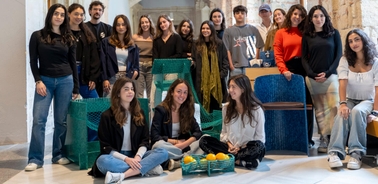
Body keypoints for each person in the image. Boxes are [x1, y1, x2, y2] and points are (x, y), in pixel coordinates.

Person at [25, 3, 79, 171]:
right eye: (56, 13)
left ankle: (58, 154)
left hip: (66, 80)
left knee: (61, 121)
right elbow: (33, 61)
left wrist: (76, 88)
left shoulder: (69, 37)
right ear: (50, 15)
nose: (59, 17)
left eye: (62, 15)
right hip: (45, 81)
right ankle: (35, 158)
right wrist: (38, 80)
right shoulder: (37, 36)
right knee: (39, 120)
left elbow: (73, 63)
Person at [87, 77, 168, 183]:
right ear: (118, 93)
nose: (130, 92)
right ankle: (148, 168)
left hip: (136, 155)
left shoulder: (140, 113)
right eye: (126, 89)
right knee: (102, 161)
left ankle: (123, 175)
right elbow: (106, 147)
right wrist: (127, 160)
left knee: (163, 152)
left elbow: (145, 140)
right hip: (117, 158)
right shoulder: (106, 116)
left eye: (132, 89)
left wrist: (138, 157)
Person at [327, 29, 378, 170]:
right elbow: (342, 84)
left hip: (368, 100)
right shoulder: (345, 60)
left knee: (357, 111)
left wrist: (375, 112)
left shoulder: (375, 62)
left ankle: (356, 154)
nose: (353, 43)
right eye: (350, 41)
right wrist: (342, 104)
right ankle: (334, 152)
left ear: (364, 40)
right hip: (349, 98)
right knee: (342, 112)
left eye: (357, 39)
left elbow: (377, 89)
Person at [200, 74, 265, 169]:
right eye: (229, 87)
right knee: (204, 141)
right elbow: (224, 133)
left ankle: (227, 160)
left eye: (233, 87)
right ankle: (241, 162)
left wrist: (241, 147)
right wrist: (230, 145)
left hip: (245, 148)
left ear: (243, 89)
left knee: (259, 146)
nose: (230, 90)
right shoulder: (226, 108)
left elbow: (260, 137)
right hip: (229, 148)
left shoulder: (256, 110)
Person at [302, 5, 342, 153]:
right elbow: (304, 58)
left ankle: (335, 139)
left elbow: (338, 56)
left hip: (331, 77)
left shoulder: (334, 33)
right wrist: (311, 74)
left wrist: (328, 72)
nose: (319, 19)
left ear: (326, 17)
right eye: (315, 16)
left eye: (321, 16)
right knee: (319, 111)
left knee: (333, 108)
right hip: (313, 79)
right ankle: (324, 140)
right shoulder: (307, 36)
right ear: (311, 19)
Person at [273, 4, 314, 147]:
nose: (297, 17)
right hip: (289, 70)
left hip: (305, 69)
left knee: (308, 105)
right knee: (290, 105)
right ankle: (289, 137)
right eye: (295, 14)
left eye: (301, 15)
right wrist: (283, 70)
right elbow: (278, 53)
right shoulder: (281, 32)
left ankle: (307, 139)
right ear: (290, 14)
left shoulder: (306, 32)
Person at [151, 79, 203, 171]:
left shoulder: (187, 110)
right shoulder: (161, 110)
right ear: (171, 92)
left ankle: (176, 162)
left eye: (185, 93)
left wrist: (183, 144)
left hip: (183, 146)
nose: (182, 95)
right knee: (158, 146)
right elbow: (155, 136)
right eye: (179, 92)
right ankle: (185, 159)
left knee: (206, 139)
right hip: (169, 146)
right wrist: (175, 142)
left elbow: (198, 132)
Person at [192, 20, 229, 112]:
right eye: (203, 28)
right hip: (201, 80)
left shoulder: (219, 44)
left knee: (216, 104)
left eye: (207, 28)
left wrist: (221, 74)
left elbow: (225, 60)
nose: (205, 30)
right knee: (202, 103)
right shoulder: (196, 44)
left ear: (212, 30)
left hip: (217, 80)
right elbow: (194, 60)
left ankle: (217, 125)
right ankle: (205, 126)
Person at [101, 15, 139, 97]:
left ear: (127, 26)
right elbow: (103, 62)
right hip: (112, 77)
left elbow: (136, 65)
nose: (121, 27)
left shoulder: (133, 45)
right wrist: (105, 79)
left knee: (125, 105)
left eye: (123, 24)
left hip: (127, 77)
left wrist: (135, 72)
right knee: (109, 104)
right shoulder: (106, 42)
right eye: (118, 25)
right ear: (114, 27)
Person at [68, 3, 101, 98]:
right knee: (67, 106)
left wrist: (93, 78)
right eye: (76, 14)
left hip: (84, 74)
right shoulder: (63, 32)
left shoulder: (87, 34)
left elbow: (94, 58)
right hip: (67, 74)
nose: (79, 17)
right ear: (69, 14)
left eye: (81, 15)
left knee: (95, 105)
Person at [223, 5, 264, 77]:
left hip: (250, 65)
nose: (240, 15)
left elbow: (258, 46)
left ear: (246, 15)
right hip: (235, 66)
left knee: (251, 87)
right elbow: (227, 49)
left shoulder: (253, 29)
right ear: (234, 15)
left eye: (242, 13)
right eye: (237, 13)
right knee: (236, 87)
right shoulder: (228, 31)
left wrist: (255, 62)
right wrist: (231, 65)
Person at [86, 1, 112, 97]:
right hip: (90, 68)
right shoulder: (84, 28)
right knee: (91, 98)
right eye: (95, 9)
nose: (97, 11)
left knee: (104, 98)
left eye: (100, 10)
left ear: (102, 12)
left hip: (104, 68)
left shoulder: (108, 29)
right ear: (90, 11)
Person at [132, 15, 155, 100]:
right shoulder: (135, 37)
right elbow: (131, 53)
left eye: (146, 22)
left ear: (150, 23)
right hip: (139, 66)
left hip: (151, 67)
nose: (144, 24)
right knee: (139, 93)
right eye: (142, 23)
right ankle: (140, 112)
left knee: (151, 94)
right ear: (140, 25)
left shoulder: (154, 37)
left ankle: (150, 113)